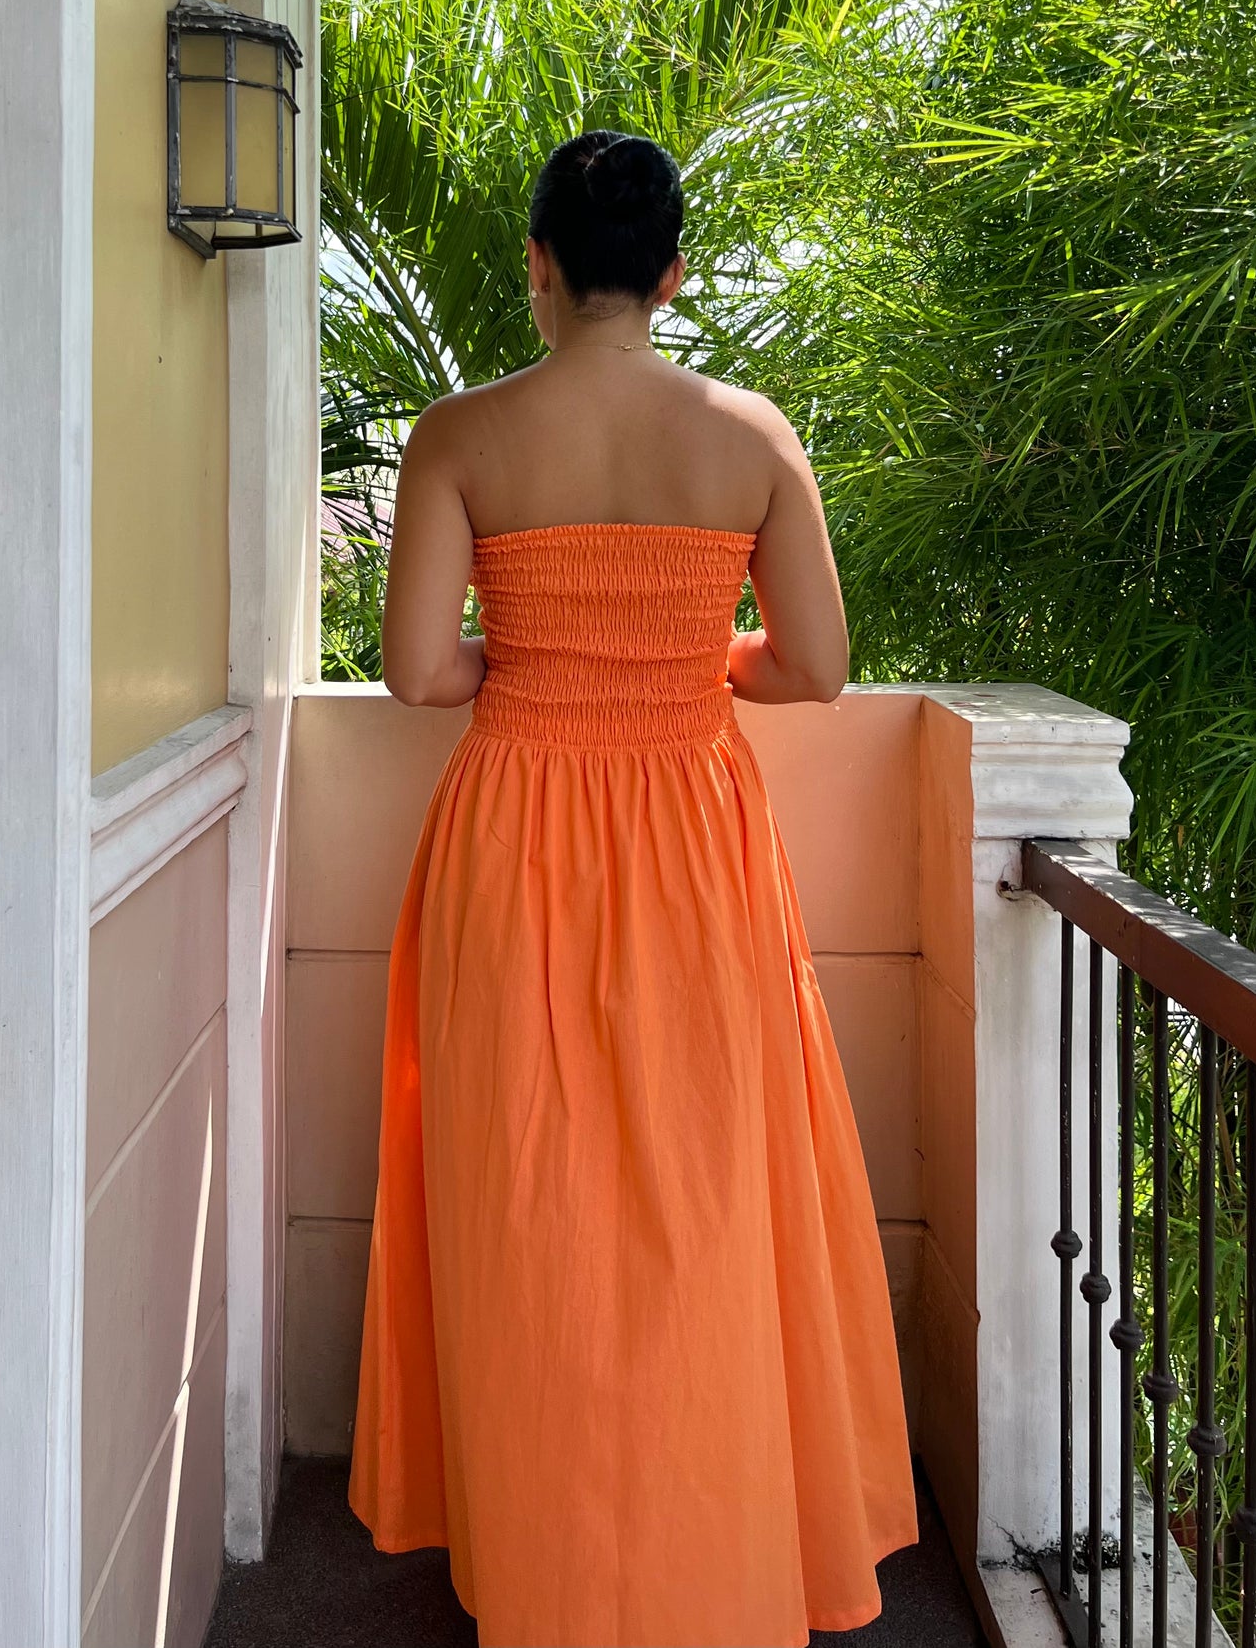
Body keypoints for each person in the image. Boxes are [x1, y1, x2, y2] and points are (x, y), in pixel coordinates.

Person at [347, 129, 918, 1648]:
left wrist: (533, 659)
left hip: (513, 826)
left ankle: (538, 1565)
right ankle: (700, 1555)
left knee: (523, 1197)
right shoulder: (749, 434)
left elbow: (415, 673)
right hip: (691, 833)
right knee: (700, 1196)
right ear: (673, 272)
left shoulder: (459, 434)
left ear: (536, 266)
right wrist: (685, 655)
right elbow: (813, 666)